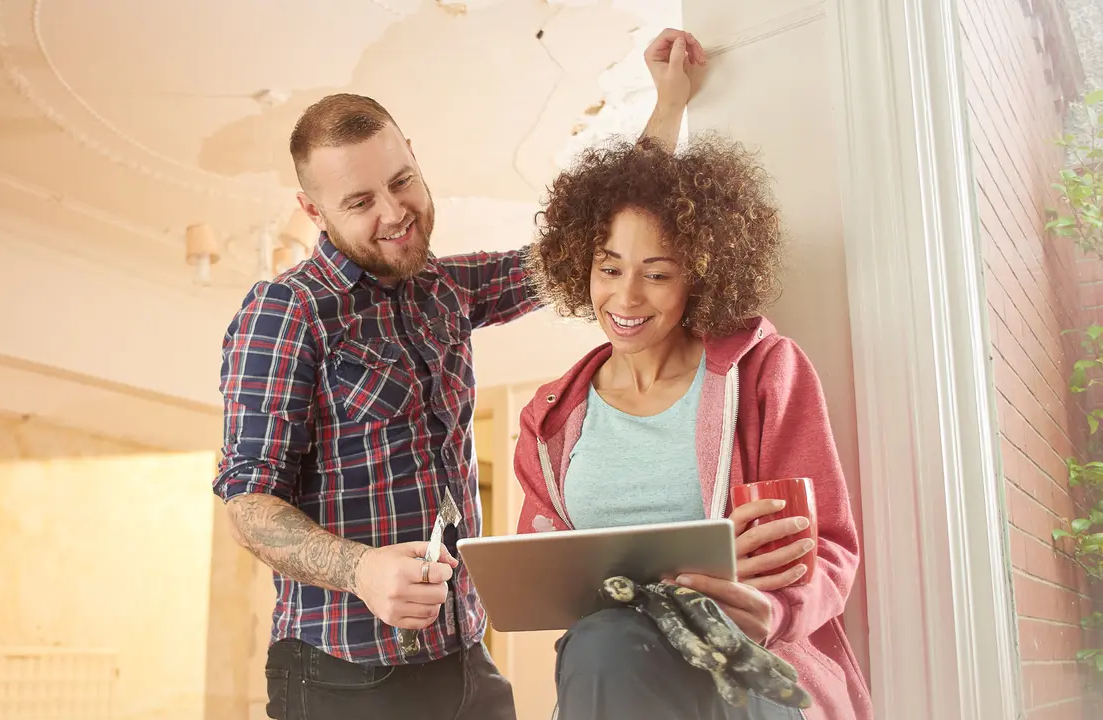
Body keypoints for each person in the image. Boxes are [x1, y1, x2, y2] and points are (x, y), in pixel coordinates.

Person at [212, 28, 708, 720]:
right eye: (359, 203)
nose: (394, 214)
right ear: (313, 211)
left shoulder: (445, 289)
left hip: (466, 658)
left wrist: (666, 108)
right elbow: (248, 503)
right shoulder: (287, 312)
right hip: (343, 678)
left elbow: (585, 247)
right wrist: (360, 570)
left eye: (401, 181)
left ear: (414, 155)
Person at [511, 133, 874, 720]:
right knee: (602, 641)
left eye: (656, 274)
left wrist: (773, 609)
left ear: (698, 276)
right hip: (620, 666)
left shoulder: (763, 373)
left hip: (746, 661)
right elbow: (542, 568)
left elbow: (826, 545)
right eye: (610, 268)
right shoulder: (548, 419)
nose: (625, 297)